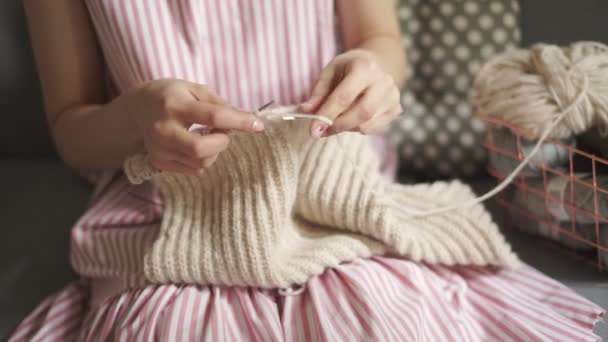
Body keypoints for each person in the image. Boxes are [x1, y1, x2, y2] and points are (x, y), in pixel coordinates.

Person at [11, 0, 602, 340]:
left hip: (330, 198)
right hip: (167, 218)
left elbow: (380, 41)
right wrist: (136, 122)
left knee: (386, 321)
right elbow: (72, 126)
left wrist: (374, 73)